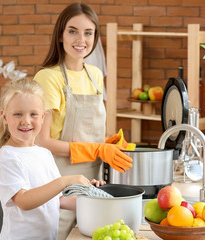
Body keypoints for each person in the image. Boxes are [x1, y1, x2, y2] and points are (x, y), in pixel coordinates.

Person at [33, 2, 133, 239]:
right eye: (73, 31)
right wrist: (97, 148)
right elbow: (41, 141)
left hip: (92, 184)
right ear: (60, 35)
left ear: (95, 37)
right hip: (59, 183)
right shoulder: (49, 77)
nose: (81, 39)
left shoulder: (95, 74)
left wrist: (107, 143)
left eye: (88, 33)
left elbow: (88, 130)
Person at [0, 78, 104, 239]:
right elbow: (24, 201)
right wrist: (66, 181)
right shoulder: (7, 156)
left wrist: (92, 196)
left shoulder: (43, 153)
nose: (26, 121)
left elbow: (59, 199)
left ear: (43, 117)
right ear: (5, 117)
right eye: (18, 114)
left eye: (33, 114)